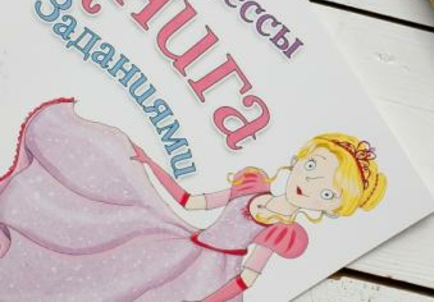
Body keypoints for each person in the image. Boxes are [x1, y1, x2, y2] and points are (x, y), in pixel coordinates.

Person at [0, 99, 386, 300]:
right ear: (300, 158)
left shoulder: (283, 231)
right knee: (105, 268)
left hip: (211, 278)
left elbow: (246, 278)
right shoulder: (252, 185)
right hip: (184, 245)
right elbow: (192, 201)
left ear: (331, 208)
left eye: (327, 192)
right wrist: (150, 163)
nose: (310, 183)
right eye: (313, 166)